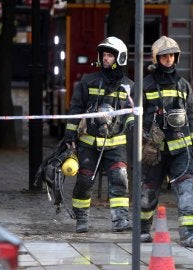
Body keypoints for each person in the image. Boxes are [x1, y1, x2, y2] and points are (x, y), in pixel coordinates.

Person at [139, 36, 193, 248]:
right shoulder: (145, 85)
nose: (168, 59)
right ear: (156, 58)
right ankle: (141, 228)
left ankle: (190, 233)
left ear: (176, 58)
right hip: (154, 150)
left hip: (181, 150)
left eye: (171, 56)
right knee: (149, 190)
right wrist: (145, 141)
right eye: (164, 56)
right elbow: (134, 117)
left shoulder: (183, 85)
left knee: (187, 189)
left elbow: (190, 118)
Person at [64, 37, 134, 233]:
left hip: (116, 143)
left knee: (119, 179)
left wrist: (133, 126)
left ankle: (120, 220)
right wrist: (70, 135)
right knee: (85, 181)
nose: (105, 58)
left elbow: (130, 111)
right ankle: (81, 219)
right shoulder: (88, 81)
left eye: (110, 55)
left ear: (120, 58)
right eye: (104, 54)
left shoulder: (129, 86)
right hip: (89, 143)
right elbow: (76, 109)